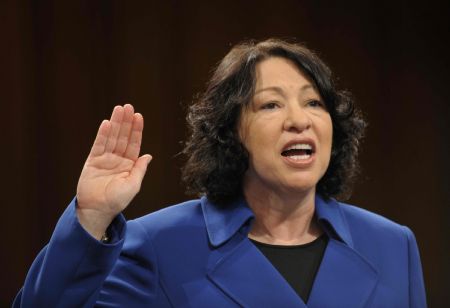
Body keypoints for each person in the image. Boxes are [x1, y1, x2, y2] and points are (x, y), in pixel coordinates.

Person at [14, 39, 426, 307]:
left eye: (315, 103)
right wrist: (91, 218)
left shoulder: (393, 246)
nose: (300, 120)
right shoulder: (159, 246)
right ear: (231, 131)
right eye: (271, 105)